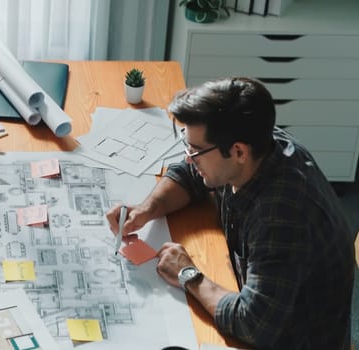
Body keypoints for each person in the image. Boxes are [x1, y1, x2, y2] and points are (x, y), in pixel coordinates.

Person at [106, 77, 355, 349]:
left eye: (196, 150)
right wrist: (145, 210)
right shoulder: (254, 145)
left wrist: (188, 274)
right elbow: (190, 173)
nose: (189, 157)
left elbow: (253, 323)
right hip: (256, 295)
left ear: (238, 152)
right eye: (187, 145)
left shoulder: (280, 215)